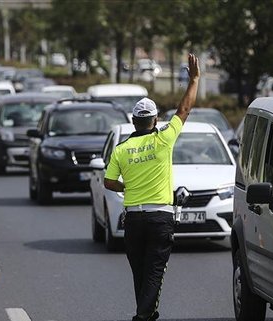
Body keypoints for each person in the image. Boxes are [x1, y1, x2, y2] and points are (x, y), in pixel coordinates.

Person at [103, 53, 200, 321]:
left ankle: (144, 313)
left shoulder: (122, 150)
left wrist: (127, 185)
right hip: (160, 218)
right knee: (154, 273)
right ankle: (142, 317)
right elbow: (184, 110)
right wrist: (194, 80)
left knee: (140, 273)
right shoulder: (164, 140)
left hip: (133, 218)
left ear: (134, 122)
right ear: (155, 121)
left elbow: (108, 182)